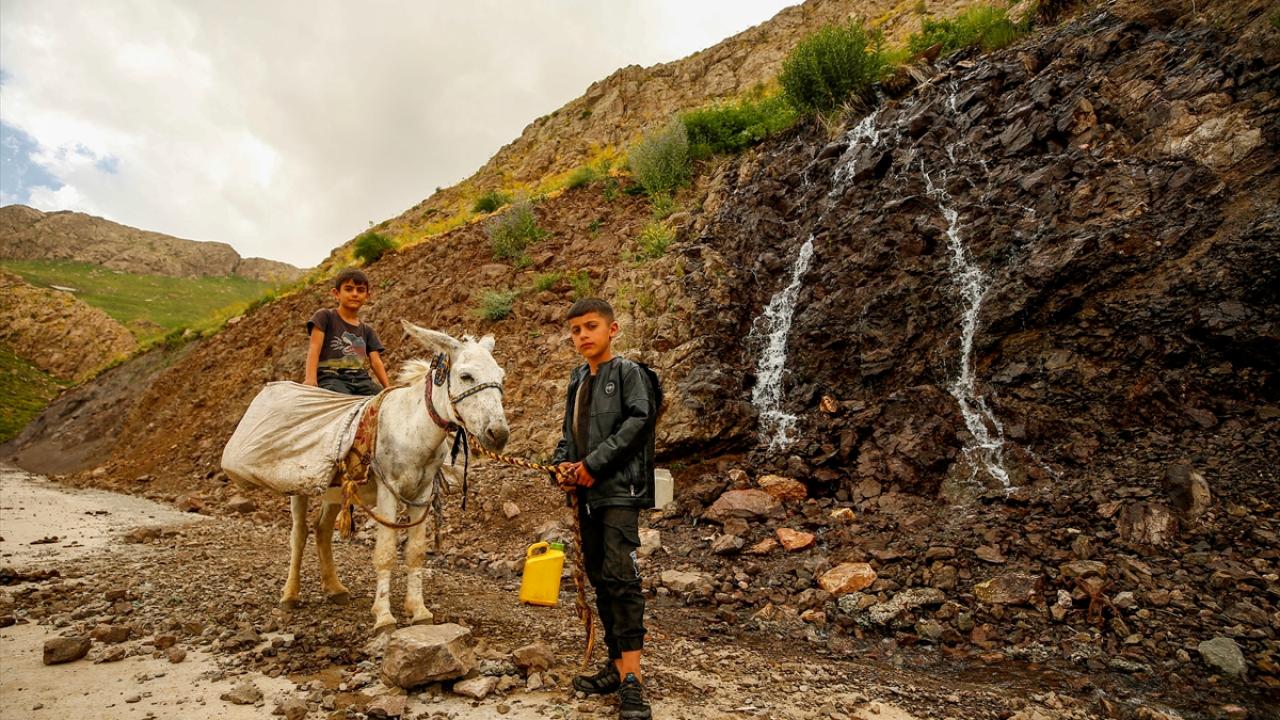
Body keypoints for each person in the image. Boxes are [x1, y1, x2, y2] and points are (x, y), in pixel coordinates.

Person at [551, 297, 657, 720]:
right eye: (575, 330)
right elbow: (568, 437)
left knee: (620, 576)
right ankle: (615, 668)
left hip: (619, 491)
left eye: (590, 327)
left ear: (612, 330)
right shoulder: (578, 379)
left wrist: (592, 466)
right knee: (598, 575)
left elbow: (638, 422)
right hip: (588, 494)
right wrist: (562, 466)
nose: (582, 336)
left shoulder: (630, 373)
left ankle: (633, 679)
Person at [304, 268, 390, 395]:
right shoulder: (325, 316)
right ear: (336, 293)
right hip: (331, 378)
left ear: (367, 296)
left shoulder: (367, 330)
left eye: (360, 290)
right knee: (339, 398)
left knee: (382, 403)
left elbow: (375, 361)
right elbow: (314, 347)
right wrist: (310, 379)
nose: (355, 294)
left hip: (362, 381)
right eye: (349, 289)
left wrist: (388, 388)